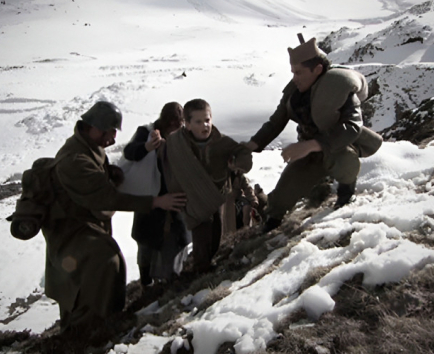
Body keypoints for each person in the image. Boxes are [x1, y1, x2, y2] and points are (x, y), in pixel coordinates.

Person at [41, 101, 186, 338]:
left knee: (100, 270)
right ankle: (80, 333)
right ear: (94, 128)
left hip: (87, 227)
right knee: (92, 273)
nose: (113, 138)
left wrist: (112, 174)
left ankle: (98, 323)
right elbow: (107, 197)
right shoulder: (76, 159)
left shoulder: (88, 146)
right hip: (71, 230)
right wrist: (154, 202)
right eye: (110, 131)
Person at [245, 35, 383, 232]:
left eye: (299, 72)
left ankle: (345, 195)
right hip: (309, 153)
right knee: (282, 196)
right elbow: (276, 122)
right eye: (293, 72)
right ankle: (269, 226)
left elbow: (352, 127)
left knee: (346, 162)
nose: (295, 78)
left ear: (317, 70)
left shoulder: (339, 88)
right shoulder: (295, 93)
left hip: (336, 147)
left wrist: (310, 145)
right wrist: (251, 145)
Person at [160, 99, 253, 273]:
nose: (205, 125)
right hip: (192, 201)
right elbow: (166, 164)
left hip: (216, 198)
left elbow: (243, 154)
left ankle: (208, 267)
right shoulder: (176, 142)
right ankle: (200, 275)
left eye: (207, 120)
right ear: (187, 124)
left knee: (216, 237)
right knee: (201, 238)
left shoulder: (222, 143)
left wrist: (237, 163)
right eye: (198, 121)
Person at [121, 102, 189, 287]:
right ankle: (146, 286)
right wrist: (148, 146)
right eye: (171, 125)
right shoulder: (147, 132)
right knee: (147, 249)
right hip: (150, 204)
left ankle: (169, 286)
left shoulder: (183, 137)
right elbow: (130, 153)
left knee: (175, 246)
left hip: (174, 203)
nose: (174, 129)